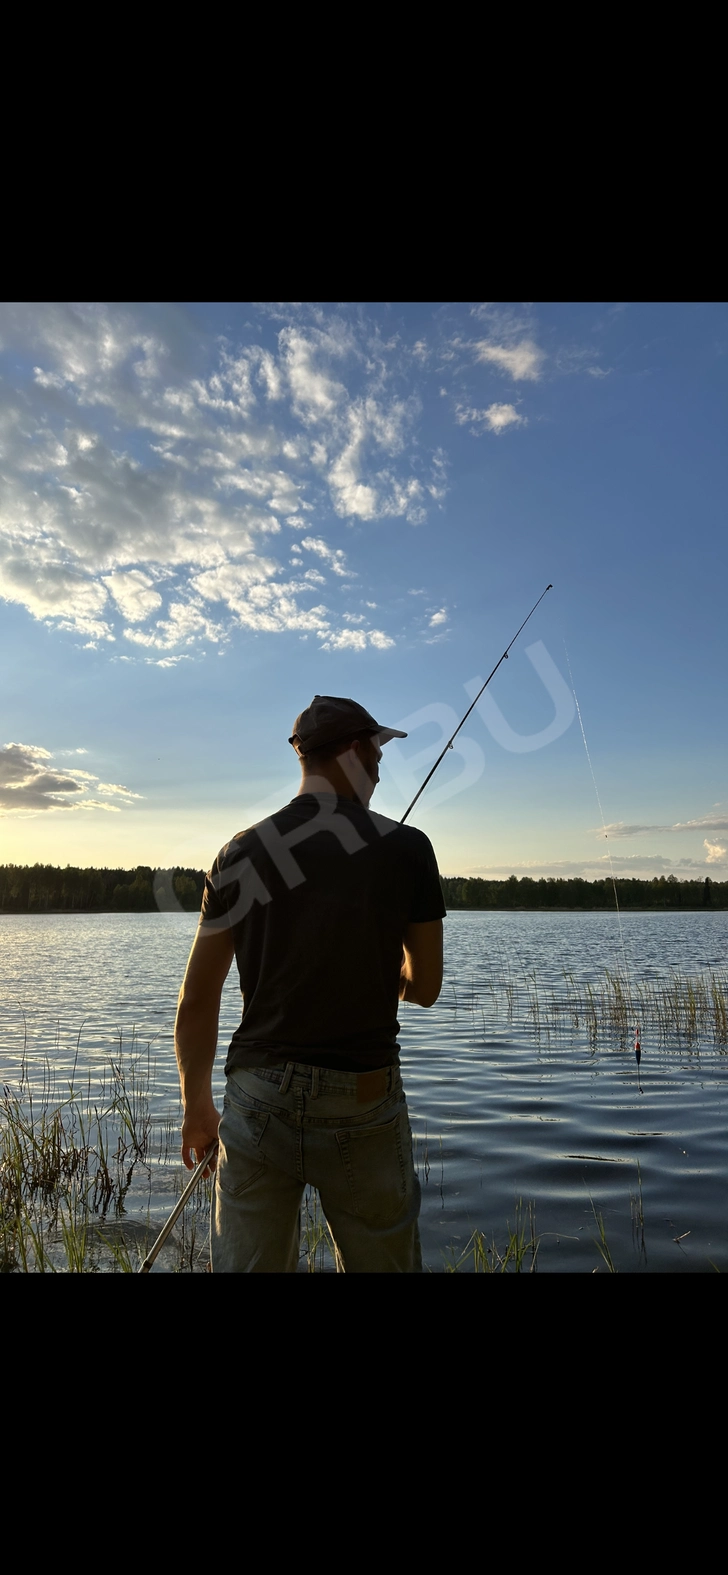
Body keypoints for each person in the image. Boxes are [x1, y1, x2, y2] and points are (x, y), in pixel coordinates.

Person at [173, 694, 445, 1272]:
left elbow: (198, 999)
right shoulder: (408, 848)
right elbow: (424, 987)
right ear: (352, 751)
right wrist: (388, 967)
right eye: (376, 755)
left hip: (258, 1097)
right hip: (364, 1100)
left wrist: (197, 1108)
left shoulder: (238, 854)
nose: (378, 770)